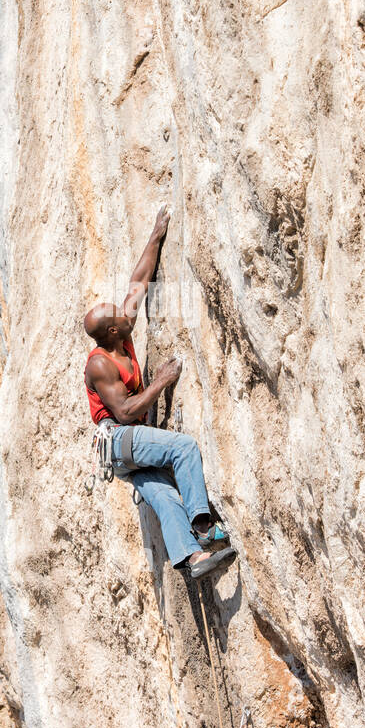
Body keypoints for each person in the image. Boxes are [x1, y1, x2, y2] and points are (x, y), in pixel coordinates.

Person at [83, 206, 235, 580]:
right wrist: (161, 381)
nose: (125, 313)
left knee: (165, 496)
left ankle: (192, 560)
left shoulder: (120, 333)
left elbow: (139, 280)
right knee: (183, 447)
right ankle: (202, 526)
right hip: (119, 441)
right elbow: (124, 411)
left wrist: (156, 233)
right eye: (119, 316)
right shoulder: (100, 365)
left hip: (126, 450)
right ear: (113, 333)